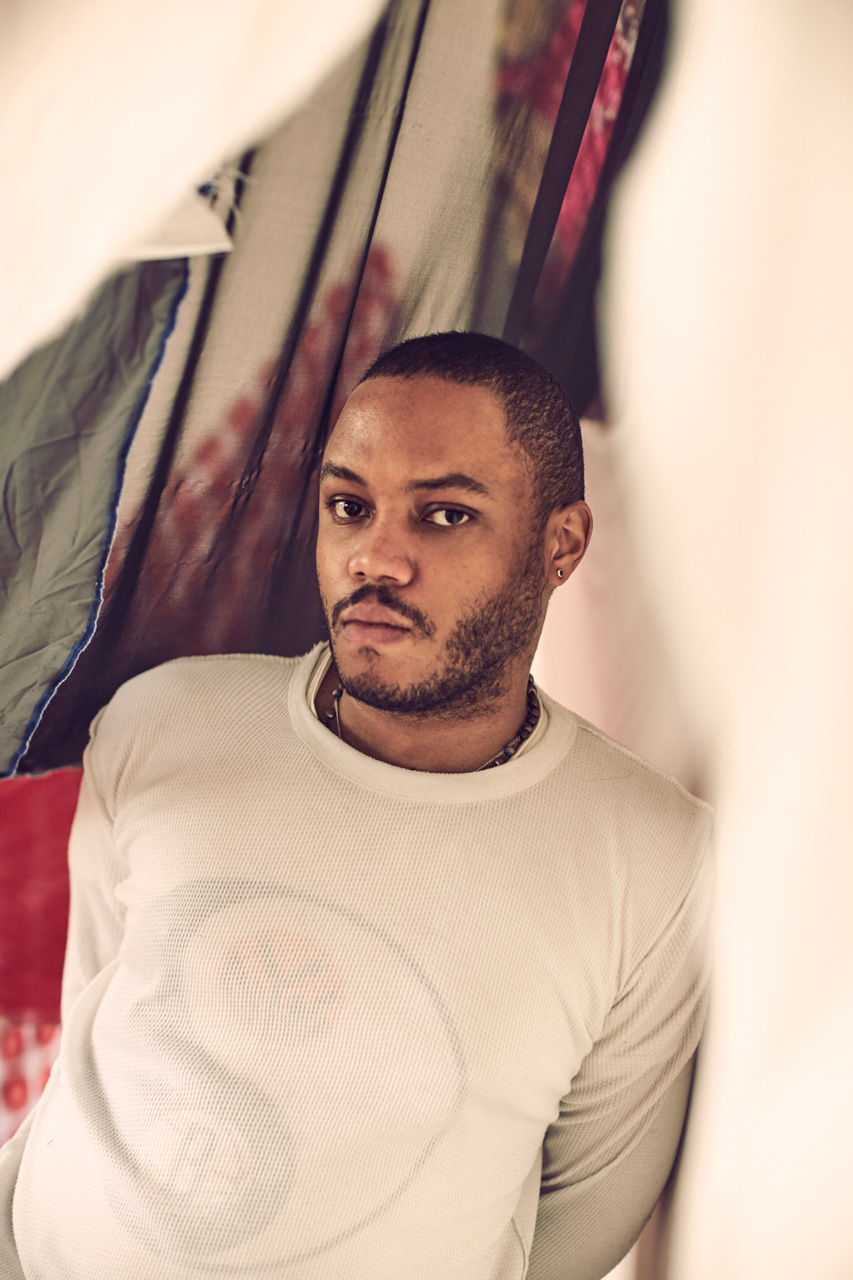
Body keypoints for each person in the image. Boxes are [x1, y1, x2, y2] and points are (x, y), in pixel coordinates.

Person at [0, 331, 712, 1280]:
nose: (376, 557)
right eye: (349, 506)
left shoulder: (652, 856)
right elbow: (100, 1004)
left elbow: (585, 1216)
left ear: (560, 545)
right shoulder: (165, 719)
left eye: (445, 516)